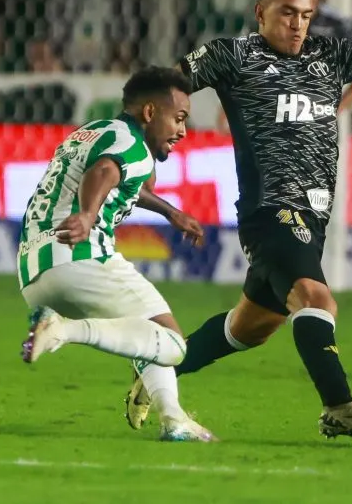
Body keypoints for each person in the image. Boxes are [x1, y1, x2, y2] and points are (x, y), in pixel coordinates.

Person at [128, 0, 352, 444]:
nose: (298, 24)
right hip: (271, 211)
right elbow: (165, 89)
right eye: (287, 13)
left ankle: (157, 363)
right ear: (260, 13)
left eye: (305, 15)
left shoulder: (330, 54)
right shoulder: (232, 56)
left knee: (251, 327)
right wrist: (150, 144)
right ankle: (339, 406)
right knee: (316, 297)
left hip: (313, 217)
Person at [18, 67, 217, 442]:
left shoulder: (99, 130)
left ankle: (173, 419)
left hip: (34, 270)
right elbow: (106, 171)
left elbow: (122, 177)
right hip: (81, 255)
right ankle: (60, 330)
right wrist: (88, 215)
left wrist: (170, 212)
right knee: (173, 343)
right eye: (178, 118)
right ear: (149, 113)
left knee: (144, 332)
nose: (182, 131)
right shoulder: (132, 148)